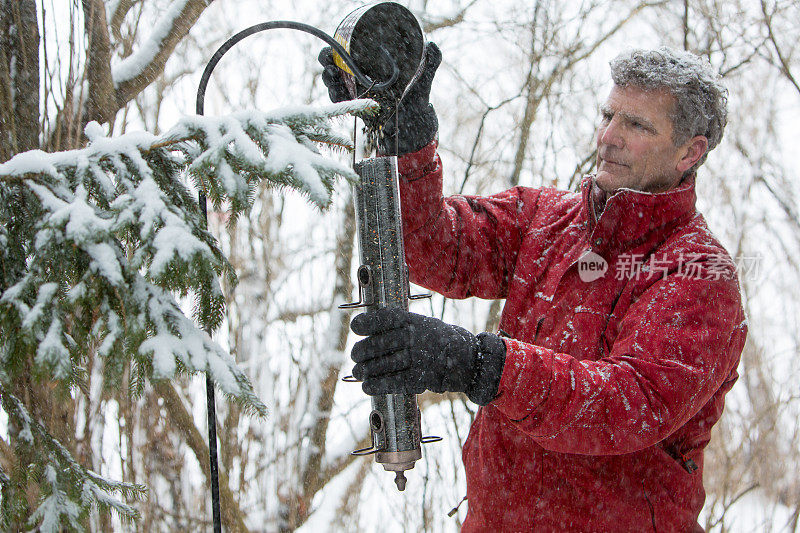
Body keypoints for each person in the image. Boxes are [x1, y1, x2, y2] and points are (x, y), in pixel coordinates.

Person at [320, 43, 747, 532]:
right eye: (609, 115)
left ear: (690, 152)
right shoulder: (547, 220)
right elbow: (433, 248)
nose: (608, 137)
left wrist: (477, 363)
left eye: (637, 125)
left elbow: (624, 407)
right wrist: (405, 137)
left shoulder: (699, 272)